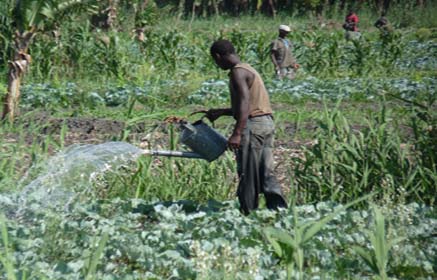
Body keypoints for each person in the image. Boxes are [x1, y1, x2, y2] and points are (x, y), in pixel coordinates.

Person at [198, 39, 288, 215]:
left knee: (248, 174)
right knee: (265, 171)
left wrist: (237, 133)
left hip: (253, 127)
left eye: (215, 61)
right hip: (266, 123)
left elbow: (245, 104)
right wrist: (221, 112)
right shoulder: (248, 68)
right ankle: (279, 212)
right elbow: (249, 104)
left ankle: (248, 213)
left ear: (218, 57)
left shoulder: (237, 73)